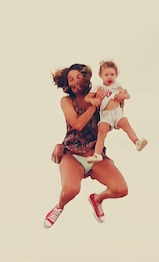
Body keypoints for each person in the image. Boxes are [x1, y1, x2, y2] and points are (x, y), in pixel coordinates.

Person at [44, 64, 130, 227]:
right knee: (71, 190)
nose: (75, 81)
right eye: (70, 79)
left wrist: (119, 98)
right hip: (72, 154)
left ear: (86, 78)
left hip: (95, 155)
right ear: (67, 84)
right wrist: (93, 105)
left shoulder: (99, 94)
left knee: (121, 189)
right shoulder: (66, 101)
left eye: (78, 77)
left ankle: (96, 199)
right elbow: (77, 124)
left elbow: (113, 117)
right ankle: (59, 206)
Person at [91, 58, 147, 161]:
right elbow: (89, 97)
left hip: (117, 113)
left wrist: (122, 96)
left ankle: (137, 142)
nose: (109, 77)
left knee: (126, 124)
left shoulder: (117, 85)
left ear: (116, 75)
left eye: (112, 74)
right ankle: (97, 154)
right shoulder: (99, 87)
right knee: (101, 132)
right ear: (100, 75)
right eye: (106, 74)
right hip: (106, 114)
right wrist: (94, 100)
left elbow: (127, 95)